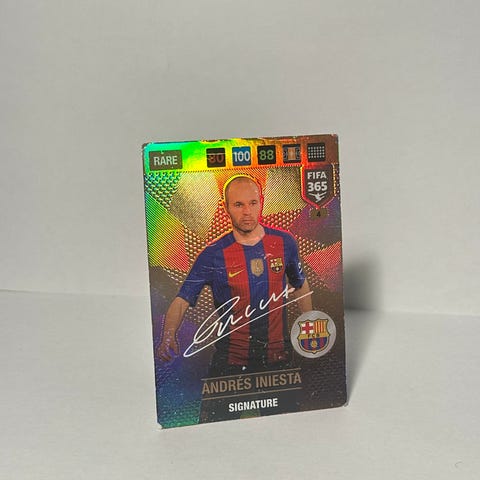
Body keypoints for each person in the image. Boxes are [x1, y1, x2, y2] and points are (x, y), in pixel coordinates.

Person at [157, 174, 312, 376]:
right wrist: (168, 336)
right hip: (231, 363)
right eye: (239, 205)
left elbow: (299, 283)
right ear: (226, 208)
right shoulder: (212, 254)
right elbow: (182, 300)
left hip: (278, 359)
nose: (247, 212)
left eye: (253, 203)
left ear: (261, 202)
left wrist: (310, 321)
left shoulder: (284, 242)